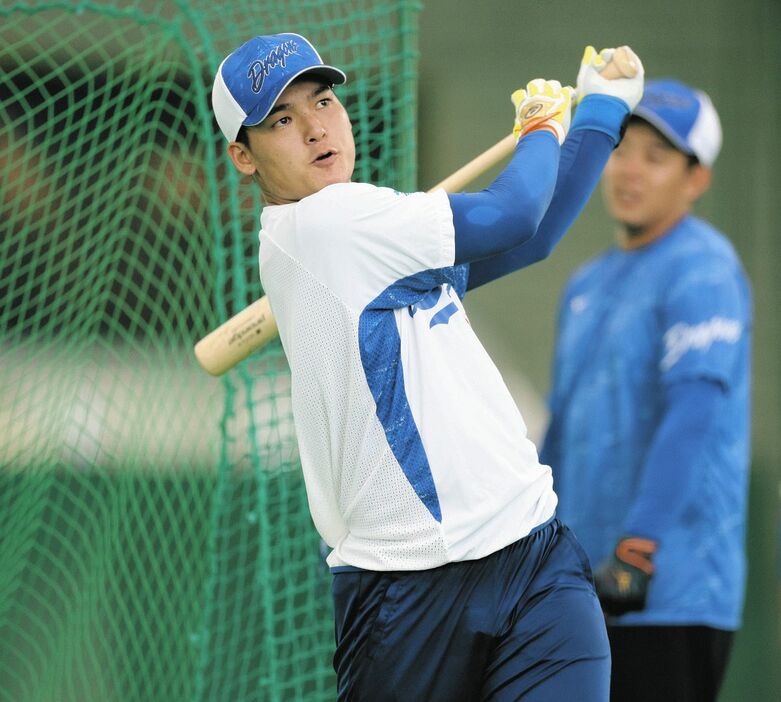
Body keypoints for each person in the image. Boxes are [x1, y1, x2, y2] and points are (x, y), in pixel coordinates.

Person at [211, 33, 643, 701]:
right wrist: (539, 127)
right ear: (243, 156)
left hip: (529, 549)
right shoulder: (330, 225)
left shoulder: (371, 227)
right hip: (408, 589)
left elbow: (534, 236)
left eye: (322, 102)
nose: (316, 128)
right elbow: (512, 211)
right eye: (281, 121)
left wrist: (601, 111)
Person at [540, 79, 752, 702]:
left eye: (656, 157)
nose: (630, 171)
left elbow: (693, 414)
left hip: (669, 593)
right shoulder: (585, 282)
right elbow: (560, 430)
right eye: (622, 149)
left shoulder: (703, 269)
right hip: (582, 595)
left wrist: (637, 550)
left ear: (696, 179)